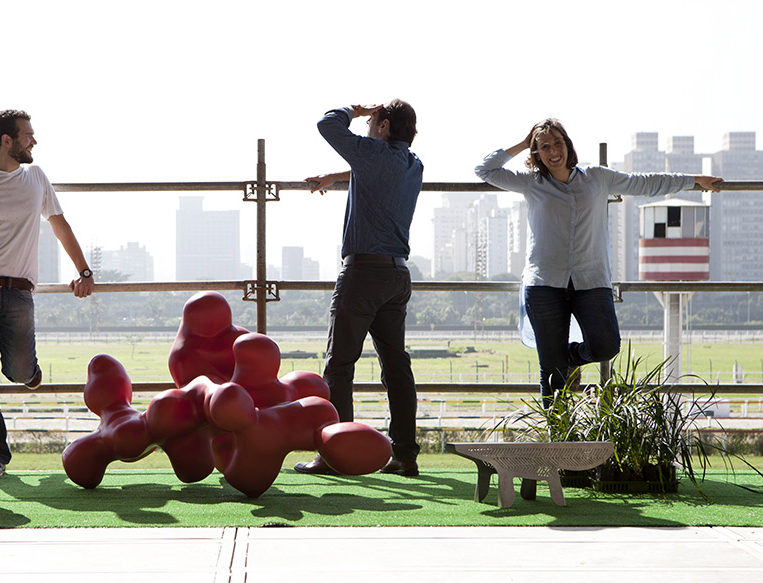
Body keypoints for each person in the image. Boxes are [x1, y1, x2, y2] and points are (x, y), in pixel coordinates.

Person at [475, 118, 722, 402]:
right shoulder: (532, 183)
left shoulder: (596, 177)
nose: (554, 151)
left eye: (558, 142)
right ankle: (558, 438)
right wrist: (523, 141)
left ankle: (571, 357)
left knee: (606, 346)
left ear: (568, 144)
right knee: (551, 373)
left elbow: (644, 183)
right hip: (544, 283)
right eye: (544, 146)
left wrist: (692, 180)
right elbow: (485, 169)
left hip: (590, 279)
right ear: (537, 154)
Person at [0, 110, 95, 478]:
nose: (34, 141)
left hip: (18, 292)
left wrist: (84, 270)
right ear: (6, 141)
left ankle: (29, 371)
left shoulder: (36, 178)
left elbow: (59, 225)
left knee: (20, 369)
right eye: (27, 135)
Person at [294, 100, 423, 477]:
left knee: (339, 365)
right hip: (397, 276)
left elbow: (327, 124)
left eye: (372, 123)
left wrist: (355, 108)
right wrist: (339, 175)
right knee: (396, 368)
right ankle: (404, 455)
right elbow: (375, 172)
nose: (367, 127)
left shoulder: (372, 152)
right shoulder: (413, 164)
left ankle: (336, 455)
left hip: (363, 274)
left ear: (383, 126)